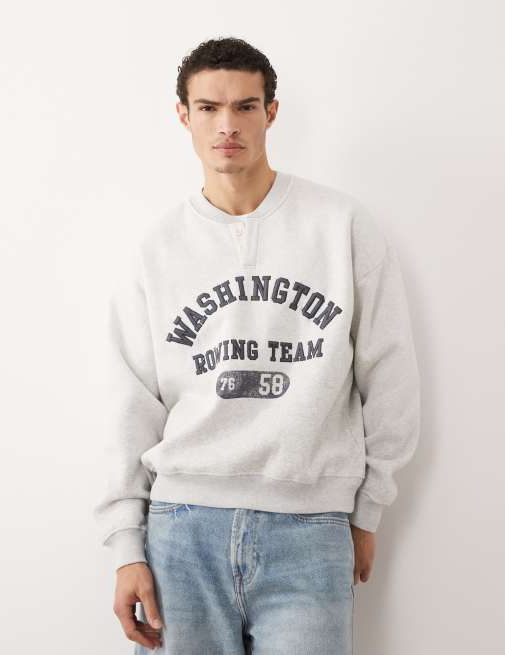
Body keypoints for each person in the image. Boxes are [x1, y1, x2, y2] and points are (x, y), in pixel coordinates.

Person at [93, 36, 421, 654]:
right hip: (181, 530)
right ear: (183, 115)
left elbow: (390, 373)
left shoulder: (340, 225)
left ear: (271, 112)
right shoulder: (157, 248)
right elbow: (128, 403)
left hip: (311, 528)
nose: (227, 125)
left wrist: (368, 508)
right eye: (209, 107)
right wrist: (125, 547)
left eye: (245, 106)